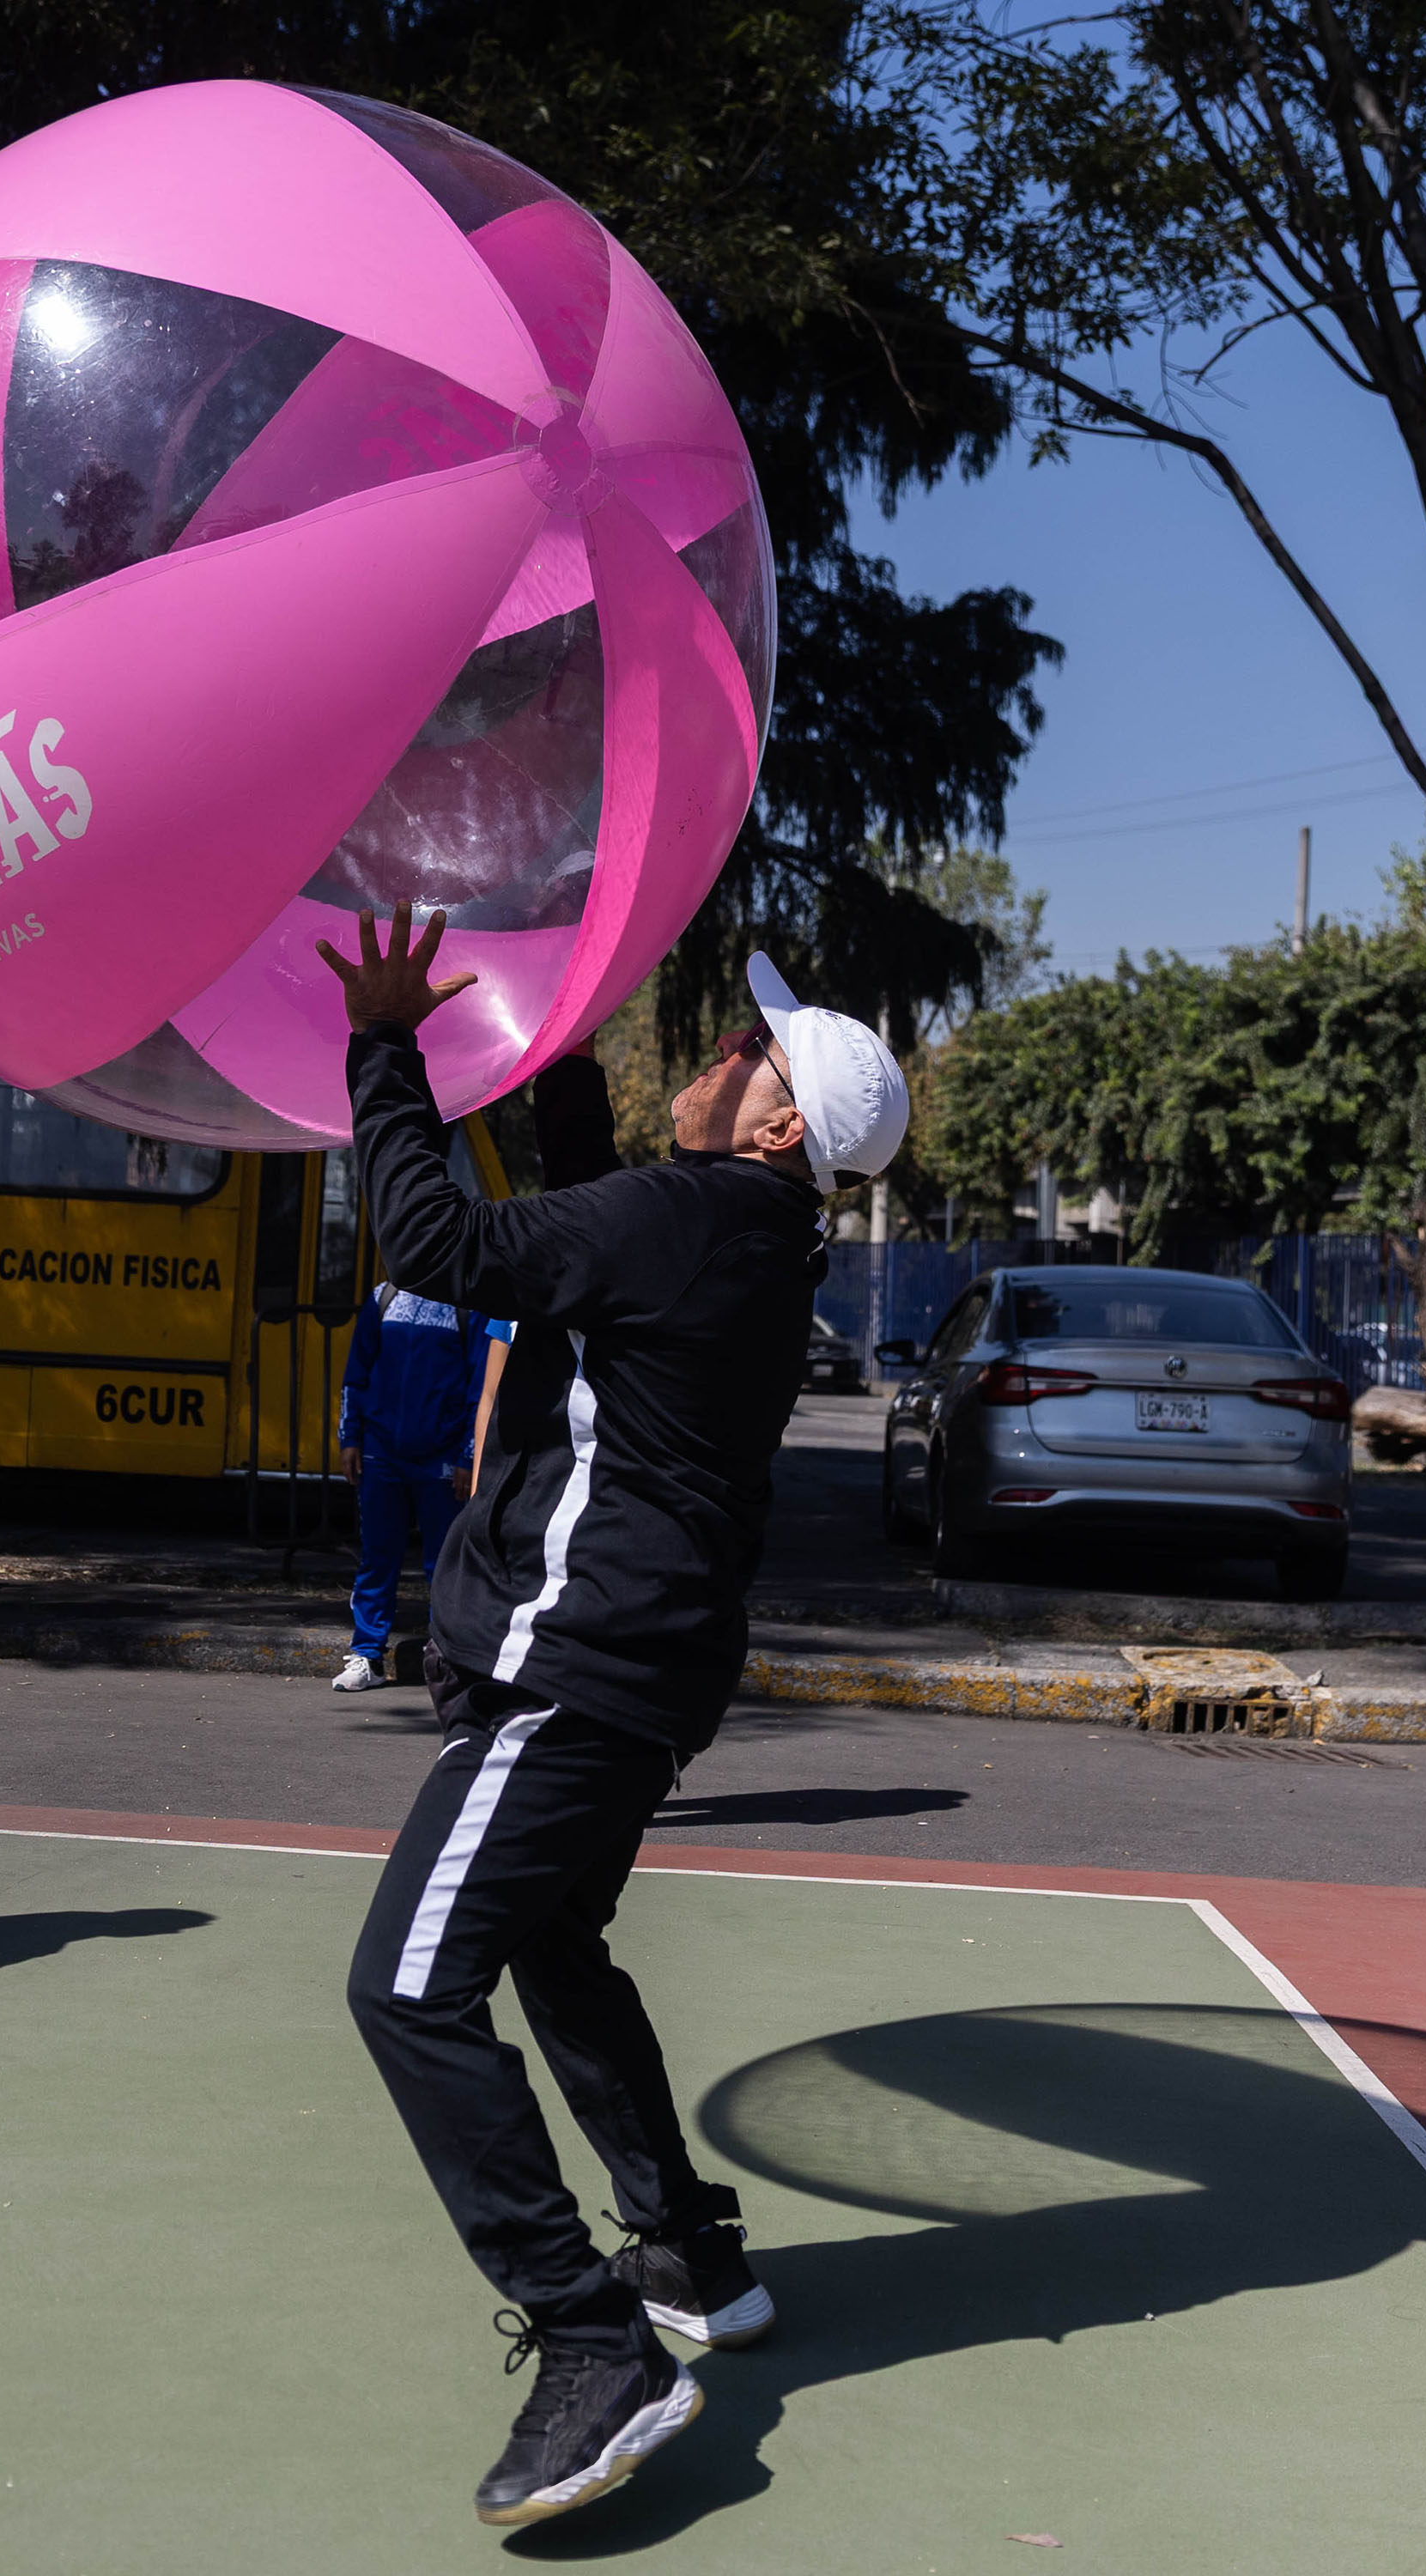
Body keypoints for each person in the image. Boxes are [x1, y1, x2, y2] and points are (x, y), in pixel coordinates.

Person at [322, 909, 909, 2530]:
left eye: (748, 1052)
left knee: (406, 1989)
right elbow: (594, 1225)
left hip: (573, 1667)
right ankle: (689, 2254)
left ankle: (596, 2342)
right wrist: (559, 1054)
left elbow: (436, 1244)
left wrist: (384, 1042)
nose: (720, 1049)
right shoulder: (746, 1233)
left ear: (779, 1126)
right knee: (556, 1951)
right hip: (639, 1670)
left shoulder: (698, 1218)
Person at [332, 1278, 495, 1692]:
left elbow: (481, 1386)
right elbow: (356, 1373)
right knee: (377, 1559)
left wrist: (468, 1457)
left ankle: (446, 1659)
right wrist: (350, 1437)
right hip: (380, 1452)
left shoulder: (468, 1303)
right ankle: (367, 1655)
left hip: (442, 1457)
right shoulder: (383, 1297)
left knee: (443, 1564)